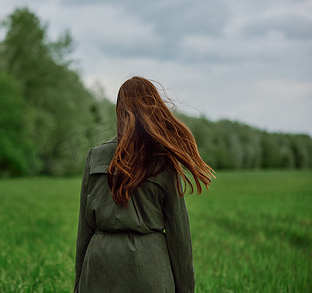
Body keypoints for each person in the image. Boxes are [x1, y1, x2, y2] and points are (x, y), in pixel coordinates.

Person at [73, 76, 214, 293]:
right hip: (150, 270)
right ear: (152, 110)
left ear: (119, 110)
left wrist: (78, 285)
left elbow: (84, 231)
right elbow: (179, 239)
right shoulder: (164, 161)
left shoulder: (95, 157)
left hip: (98, 269)